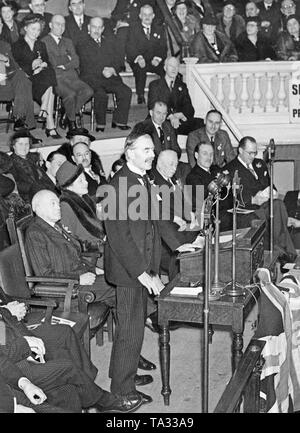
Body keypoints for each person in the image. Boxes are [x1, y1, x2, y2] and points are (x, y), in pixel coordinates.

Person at [103, 125, 197, 405]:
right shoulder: (117, 186)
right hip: (129, 269)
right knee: (131, 328)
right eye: (146, 150)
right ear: (129, 152)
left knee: (134, 326)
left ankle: (124, 375)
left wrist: (179, 244)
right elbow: (120, 239)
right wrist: (144, 273)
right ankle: (121, 391)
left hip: (144, 263)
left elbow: (157, 222)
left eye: (152, 150)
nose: (151, 155)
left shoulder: (144, 180)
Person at [0, 300, 142, 413]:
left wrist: (9, 312)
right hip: (10, 361)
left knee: (65, 334)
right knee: (66, 367)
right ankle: (101, 399)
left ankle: (86, 387)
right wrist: (8, 315)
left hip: (12, 335)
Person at [25, 189, 116, 330]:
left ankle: (130, 333)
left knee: (121, 289)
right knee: (121, 284)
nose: (58, 207)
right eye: (52, 203)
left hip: (82, 278)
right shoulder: (35, 233)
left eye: (58, 203)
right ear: (38, 208)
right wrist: (79, 278)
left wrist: (93, 269)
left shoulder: (56, 226)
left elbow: (75, 256)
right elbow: (44, 275)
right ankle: (150, 317)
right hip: (66, 289)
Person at [222, 136, 297, 258]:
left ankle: (281, 252)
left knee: (277, 205)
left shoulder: (259, 164)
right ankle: (285, 252)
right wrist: (253, 199)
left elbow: (271, 185)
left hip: (266, 204)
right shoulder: (230, 170)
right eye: (250, 153)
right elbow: (229, 199)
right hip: (248, 210)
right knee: (277, 209)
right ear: (240, 151)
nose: (253, 156)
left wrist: (273, 192)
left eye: (255, 152)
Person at [76, 16, 132, 132]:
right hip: (91, 78)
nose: (96, 30)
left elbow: (119, 61)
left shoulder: (109, 42)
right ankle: (100, 124)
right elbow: (86, 64)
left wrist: (112, 69)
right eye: (94, 27)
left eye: (99, 27)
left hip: (109, 77)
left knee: (126, 91)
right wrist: (103, 70)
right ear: (88, 28)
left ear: (103, 29)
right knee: (100, 94)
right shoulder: (82, 43)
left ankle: (119, 121)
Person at [12, 13, 61, 139]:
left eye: (38, 30)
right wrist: (32, 66)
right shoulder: (17, 45)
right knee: (50, 86)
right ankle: (49, 122)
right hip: (27, 80)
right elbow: (17, 65)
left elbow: (48, 62)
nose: (36, 32)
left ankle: (45, 111)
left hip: (41, 79)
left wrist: (43, 64)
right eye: (33, 29)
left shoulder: (41, 45)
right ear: (26, 28)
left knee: (49, 74)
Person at [42, 14, 93, 133]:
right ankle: (72, 123)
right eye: (57, 24)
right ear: (50, 25)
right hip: (56, 78)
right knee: (70, 95)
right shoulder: (44, 41)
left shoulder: (68, 41)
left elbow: (76, 61)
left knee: (88, 91)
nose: (60, 27)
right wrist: (66, 58)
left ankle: (67, 113)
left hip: (72, 77)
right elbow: (51, 61)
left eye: (63, 24)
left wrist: (65, 63)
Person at [0, 25, 41, 139]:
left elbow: (14, 66)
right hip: (3, 83)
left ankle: (20, 119)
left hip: (5, 80)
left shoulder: (5, 45)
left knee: (23, 79)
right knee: (24, 85)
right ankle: (24, 128)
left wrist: (6, 60)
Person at [148, 56, 204, 135]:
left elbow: (189, 108)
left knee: (200, 123)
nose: (174, 69)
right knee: (167, 127)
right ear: (165, 68)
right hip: (161, 119)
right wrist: (171, 116)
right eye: (171, 66)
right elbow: (152, 105)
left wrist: (181, 115)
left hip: (178, 120)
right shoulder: (155, 85)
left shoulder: (182, 86)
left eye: (176, 66)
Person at [126, 4, 167, 104]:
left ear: (153, 16)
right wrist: (138, 58)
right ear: (140, 16)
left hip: (154, 60)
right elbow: (130, 47)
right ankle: (140, 96)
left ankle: (164, 95)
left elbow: (163, 47)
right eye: (144, 14)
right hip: (139, 60)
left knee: (164, 71)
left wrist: (157, 59)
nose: (147, 17)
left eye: (149, 14)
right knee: (140, 69)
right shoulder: (133, 29)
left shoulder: (159, 29)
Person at [8, 130, 57, 202]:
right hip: (28, 198)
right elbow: (15, 184)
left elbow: (46, 175)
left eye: (26, 144)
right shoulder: (10, 163)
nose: (24, 147)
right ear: (14, 146)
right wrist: (35, 187)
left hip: (46, 192)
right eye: (20, 144)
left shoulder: (35, 157)